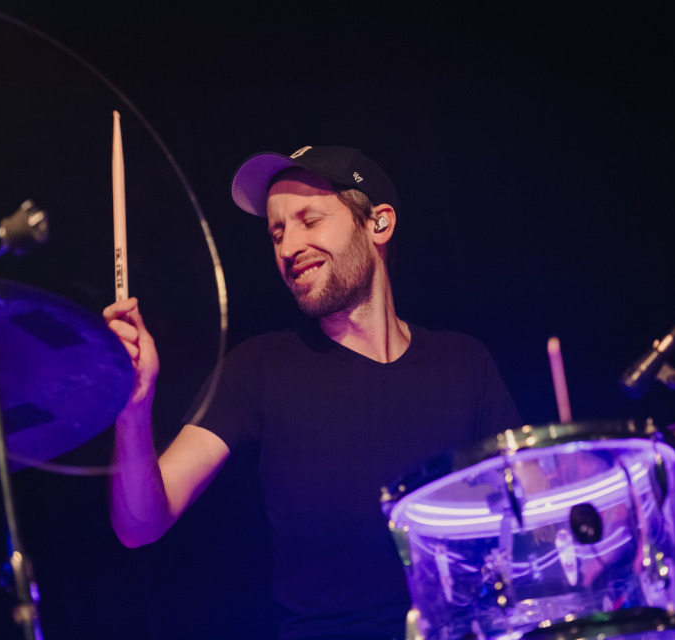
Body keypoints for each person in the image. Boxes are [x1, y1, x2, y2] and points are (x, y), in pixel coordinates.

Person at [103, 145, 521, 640]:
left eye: (309, 220)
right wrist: (132, 409)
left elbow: (531, 519)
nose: (287, 248)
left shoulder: (465, 363)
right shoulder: (258, 368)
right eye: (277, 232)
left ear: (378, 224)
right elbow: (140, 524)